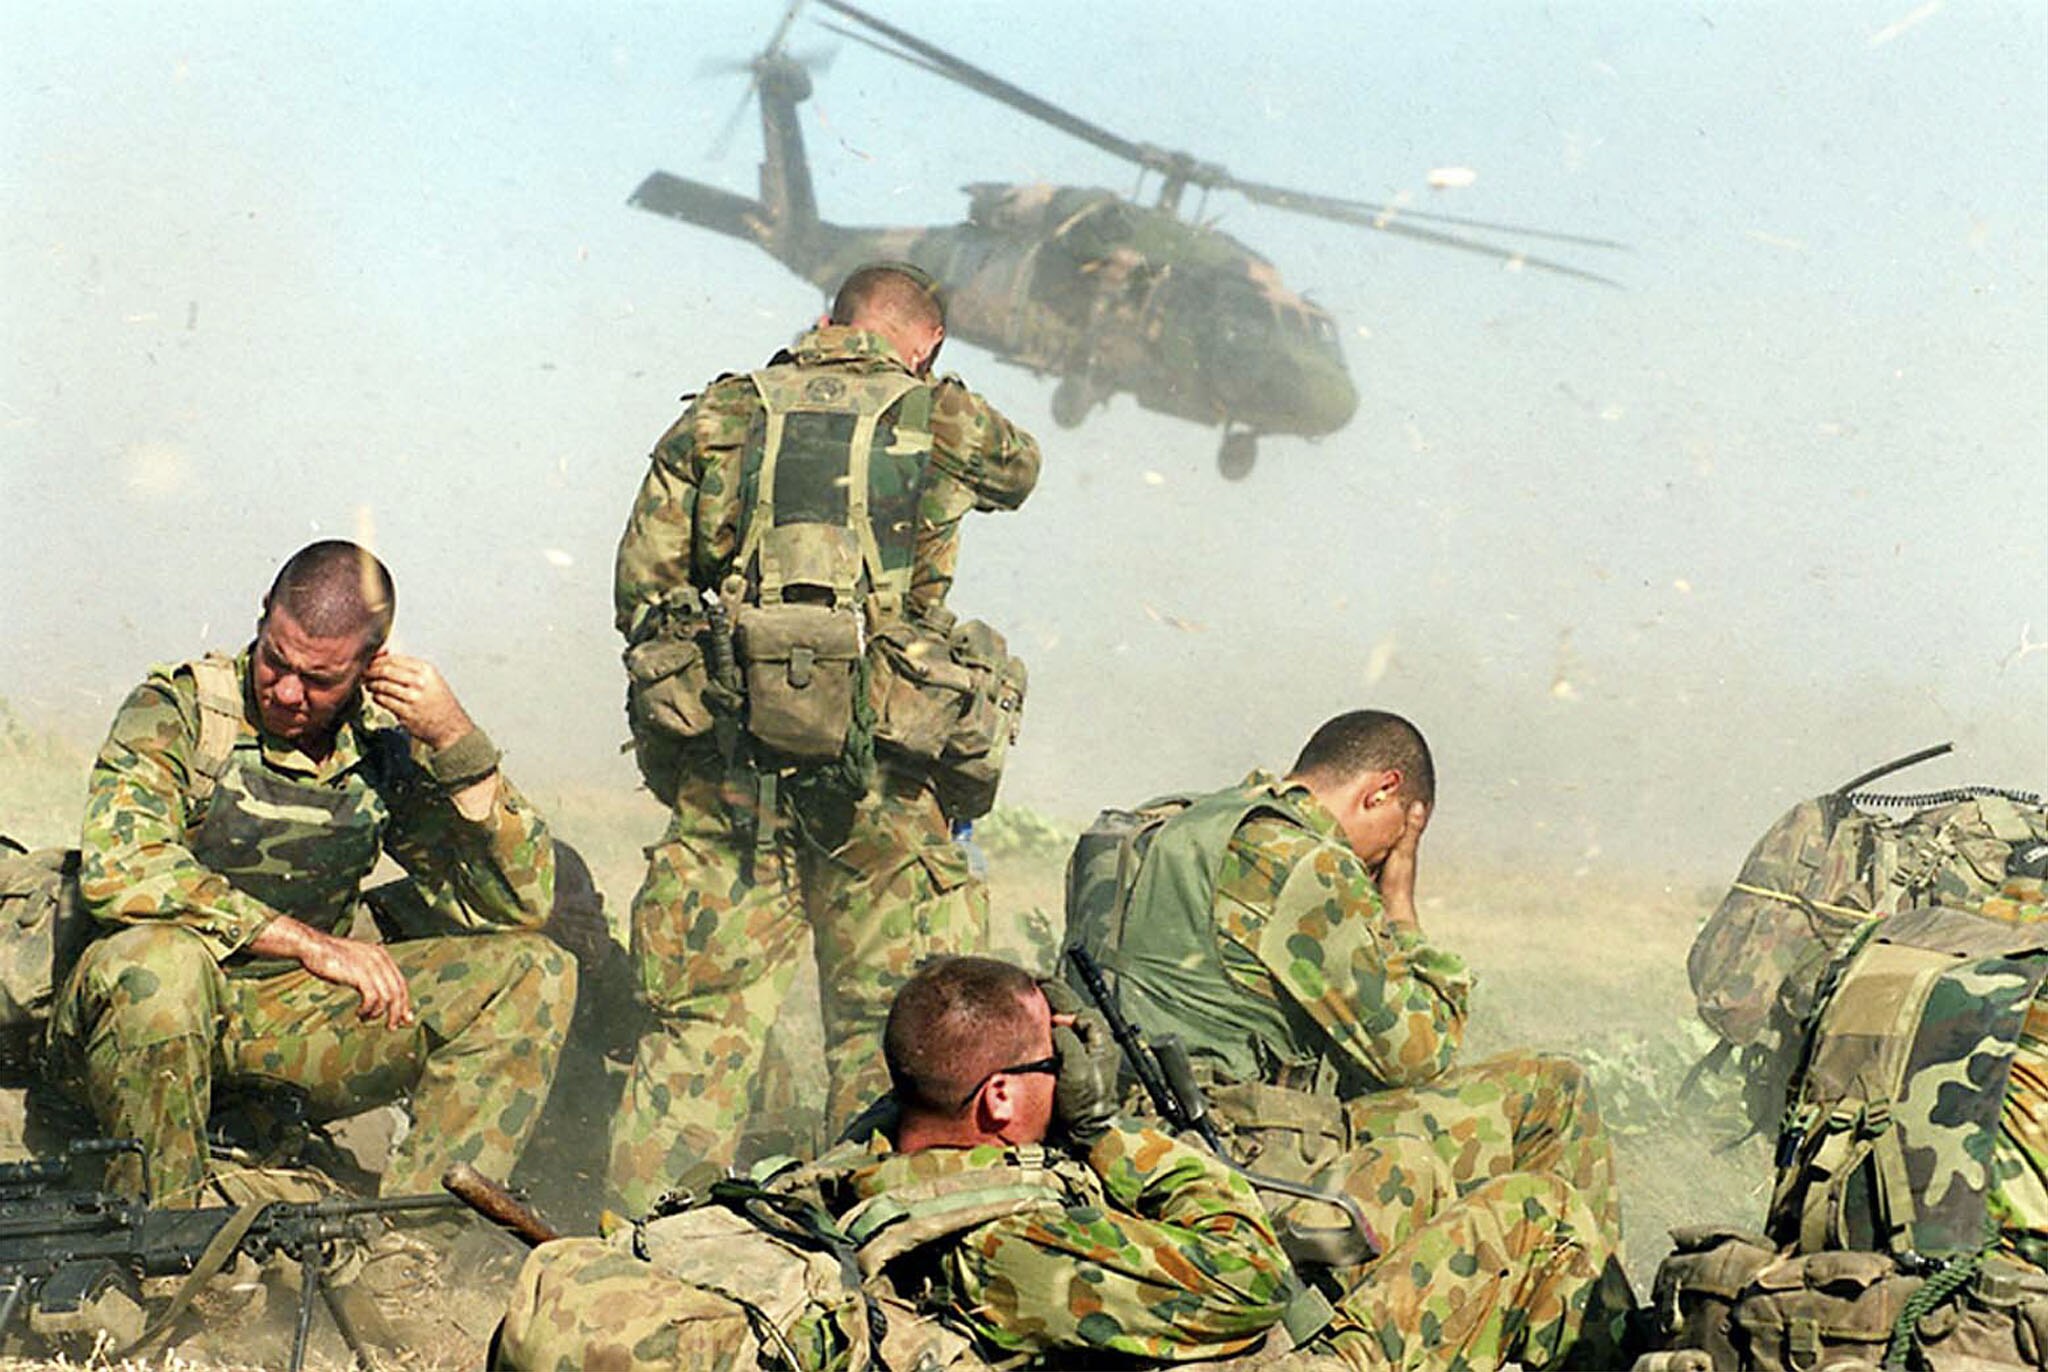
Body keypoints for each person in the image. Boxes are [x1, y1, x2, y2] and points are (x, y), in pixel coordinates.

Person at [496, 955, 1619, 1371]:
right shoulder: (1008, 1243)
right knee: (1534, 1216)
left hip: (1117, 1286)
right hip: (1210, 1319)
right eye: (1047, 1060)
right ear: (995, 1096)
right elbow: (1241, 1284)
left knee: (1390, 1201)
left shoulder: (850, 1168)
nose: (1065, 1073)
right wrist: (1113, 1131)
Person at [607, 261, 1041, 1210]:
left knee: (701, 1035)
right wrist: (924, 391)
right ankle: (885, 1266)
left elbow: (642, 594)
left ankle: (633, 1272)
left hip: (732, 782)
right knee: (901, 1035)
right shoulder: (943, 418)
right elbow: (1023, 469)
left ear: (823, 320)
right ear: (924, 342)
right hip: (883, 788)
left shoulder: (719, 415)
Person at [49, 539, 574, 1205]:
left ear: (371, 665)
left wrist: (456, 745)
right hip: (136, 1020)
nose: (288, 692)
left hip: (282, 1025)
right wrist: (313, 944)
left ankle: (409, 1250)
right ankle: (164, 1242)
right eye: (275, 660)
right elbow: (122, 869)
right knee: (165, 966)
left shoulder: (383, 744)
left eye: (321, 680)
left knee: (537, 972)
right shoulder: (179, 712)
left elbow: (514, 906)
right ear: (264, 615)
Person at [1068, 710, 1628, 1274]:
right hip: (1235, 1149)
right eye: (1398, 838)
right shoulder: (1301, 863)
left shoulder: (1147, 826)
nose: (1380, 860)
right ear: (1384, 791)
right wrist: (1400, 901)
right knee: (1555, 1091)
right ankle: (1596, 1320)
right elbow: (1418, 1056)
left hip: (1108, 1129)